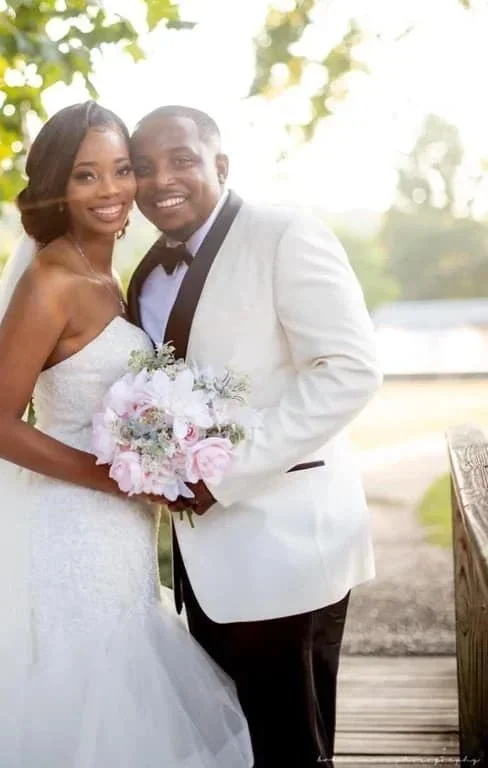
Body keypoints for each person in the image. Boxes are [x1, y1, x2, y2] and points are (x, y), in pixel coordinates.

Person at [0, 102, 252, 768]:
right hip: (69, 532)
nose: (113, 189)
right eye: (86, 175)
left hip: (120, 535)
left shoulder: (115, 276)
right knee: (73, 695)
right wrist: (121, 476)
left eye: (122, 170)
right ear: (55, 188)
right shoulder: (50, 282)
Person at [127, 105, 383, 768]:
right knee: (236, 748)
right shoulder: (146, 272)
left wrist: (224, 474)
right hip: (200, 557)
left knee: (291, 749)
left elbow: (349, 371)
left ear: (220, 163)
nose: (162, 179)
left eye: (181, 159)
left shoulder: (285, 233)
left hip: (288, 544)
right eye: (145, 166)